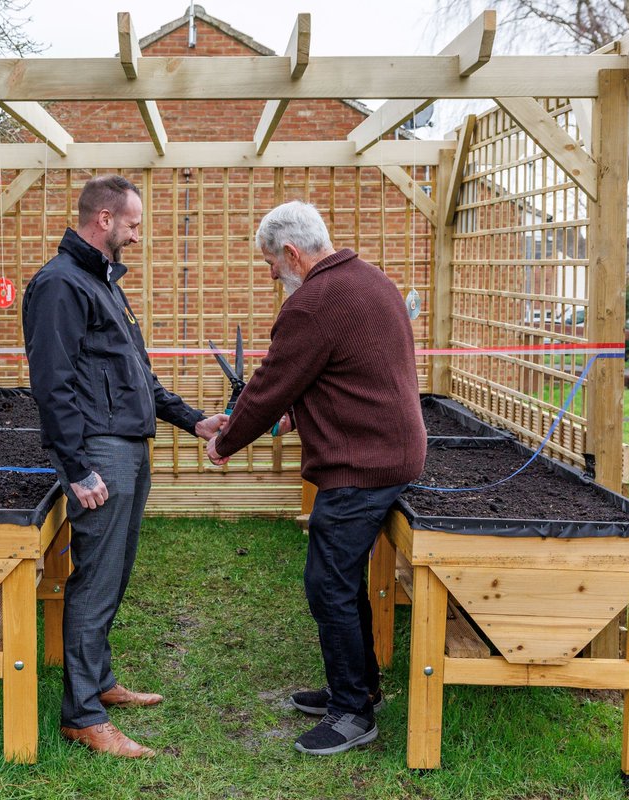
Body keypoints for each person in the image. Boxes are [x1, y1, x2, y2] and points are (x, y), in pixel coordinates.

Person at [206, 200, 426, 756]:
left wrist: (225, 443)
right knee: (342, 578)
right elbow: (348, 375)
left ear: (291, 253)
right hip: (391, 451)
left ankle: (352, 712)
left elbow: (270, 384)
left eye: (269, 264)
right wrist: (294, 415)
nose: (270, 275)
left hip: (362, 464)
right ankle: (360, 686)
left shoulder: (313, 302)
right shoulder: (372, 280)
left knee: (327, 583)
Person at [23, 175, 227, 758]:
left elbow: (138, 377)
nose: (138, 236)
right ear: (105, 219)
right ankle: (83, 715)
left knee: (113, 573)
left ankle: (100, 681)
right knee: (94, 579)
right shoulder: (60, 284)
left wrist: (194, 421)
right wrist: (77, 467)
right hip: (100, 452)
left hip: (128, 447)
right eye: (133, 225)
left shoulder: (102, 282)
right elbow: (53, 385)